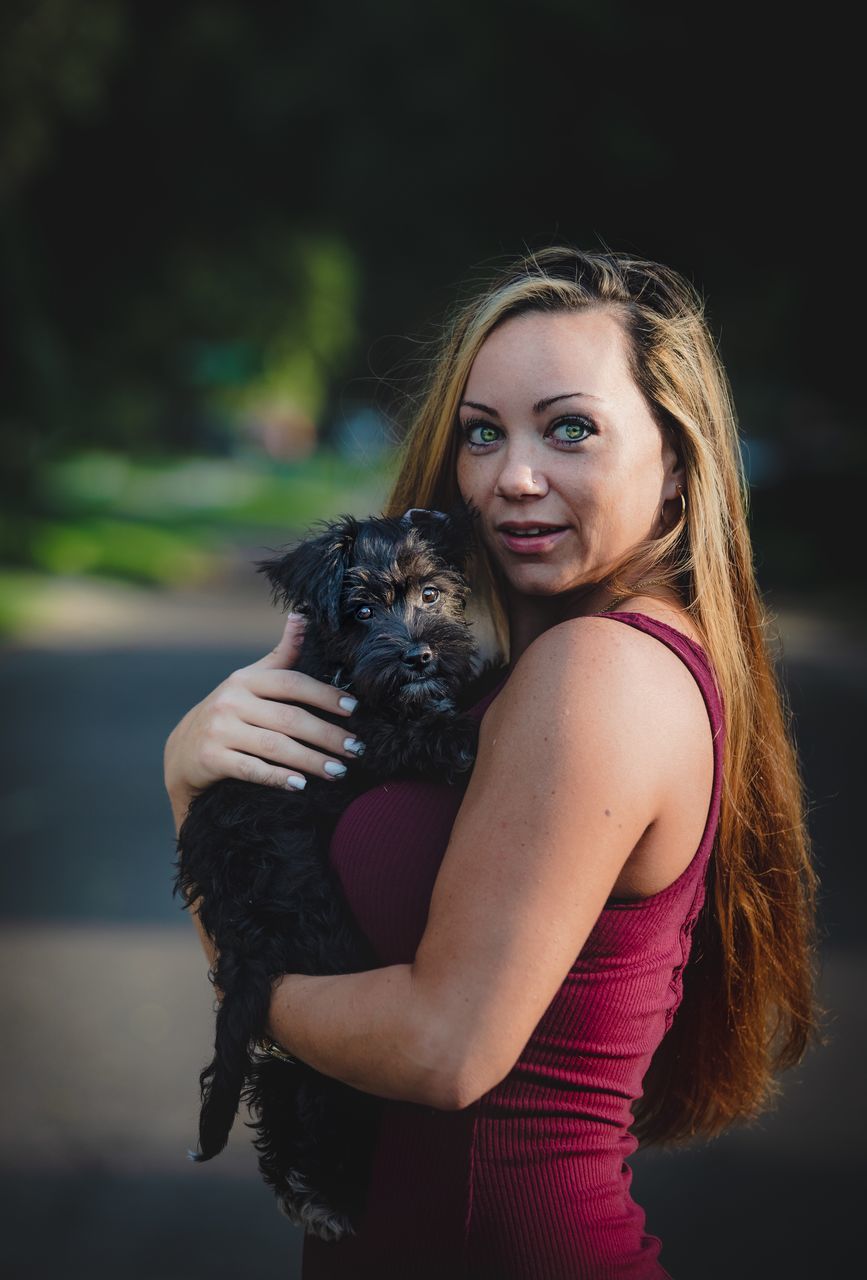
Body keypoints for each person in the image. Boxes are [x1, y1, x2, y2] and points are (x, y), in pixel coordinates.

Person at [163, 246, 819, 1279]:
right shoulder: (527, 671)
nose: (513, 475)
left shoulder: (596, 670)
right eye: (483, 432)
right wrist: (205, 771)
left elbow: (443, 1046)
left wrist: (239, 967)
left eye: (570, 428)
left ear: (679, 460)